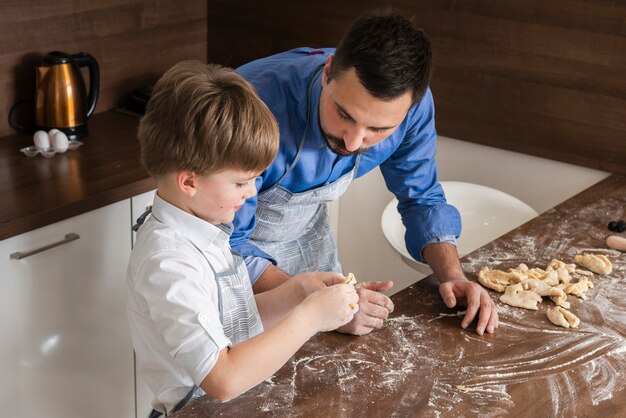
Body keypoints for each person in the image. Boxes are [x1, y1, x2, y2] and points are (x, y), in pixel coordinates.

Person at [231, 10, 499, 336]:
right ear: (329, 71)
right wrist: (317, 303)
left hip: (306, 238)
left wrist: (454, 277)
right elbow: (223, 241)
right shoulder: (252, 102)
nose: (353, 141)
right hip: (228, 250)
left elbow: (421, 200)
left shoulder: (413, 108)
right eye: (344, 114)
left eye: (377, 129)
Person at [126, 61, 359, 416]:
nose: (252, 192)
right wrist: (311, 316)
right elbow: (223, 379)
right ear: (189, 182)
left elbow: (232, 324)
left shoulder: (206, 225)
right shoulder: (168, 262)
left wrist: (298, 291)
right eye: (240, 182)